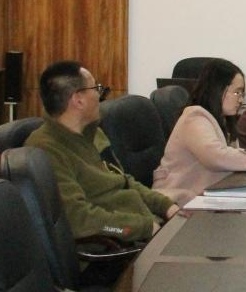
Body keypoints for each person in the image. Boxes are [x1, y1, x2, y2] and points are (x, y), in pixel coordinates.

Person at [25, 61, 177, 242]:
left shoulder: (94, 134)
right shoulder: (46, 150)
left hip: (145, 227)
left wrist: (167, 207)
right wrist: (142, 228)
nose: (99, 95)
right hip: (118, 244)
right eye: (96, 89)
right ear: (78, 100)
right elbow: (80, 221)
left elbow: (124, 181)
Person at [152, 59, 246, 204]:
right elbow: (217, 157)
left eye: (242, 94)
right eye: (237, 92)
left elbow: (231, 157)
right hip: (176, 200)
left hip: (203, 197)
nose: (241, 99)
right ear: (218, 90)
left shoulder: (223, 120)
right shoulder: (194, 117)